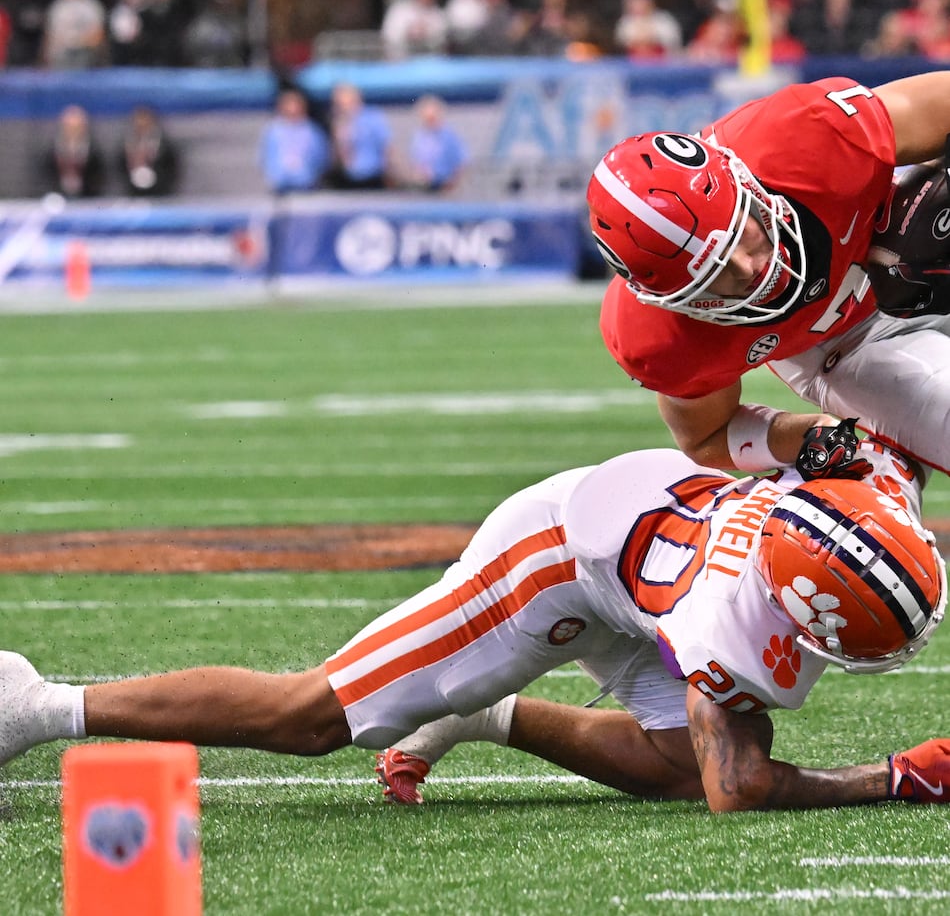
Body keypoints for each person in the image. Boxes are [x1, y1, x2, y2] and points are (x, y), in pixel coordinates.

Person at [1, 431, 948, 816]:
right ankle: (37, 704)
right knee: (313, 718)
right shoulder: (723, 624)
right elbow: (736, 789)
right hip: (550, 556)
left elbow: (872, 441)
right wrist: (892, 777)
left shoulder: (863, 494)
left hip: (643, 535)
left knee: (668, 762)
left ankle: (477, 716)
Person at [587, 70, 950, 482]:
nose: (749, 268)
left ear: (746, 184)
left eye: (742, 233)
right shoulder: (658, 337)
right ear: (672, 301)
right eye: (713, 276)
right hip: (846, 344)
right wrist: (803, 436)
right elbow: (707, 435)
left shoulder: (806, 135)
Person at [258, 88, 330, 195]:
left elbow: (322, 158)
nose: (292, 108)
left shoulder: (313, 131)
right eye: (288, 104)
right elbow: (264, 157)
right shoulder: (272, 131)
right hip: (279, 187)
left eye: (295, 104)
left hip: (307, 186)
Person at [324, 82, 393, 191]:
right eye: (337, 102)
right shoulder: (338, 122)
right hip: (348, 179)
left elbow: (386, 148)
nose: (340, 105)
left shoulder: (373, 117)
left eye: (342, 100)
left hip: (373, 177)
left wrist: (388, 173)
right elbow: (336, 157)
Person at [41, 0, 105, 69]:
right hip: (59, 59)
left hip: (83, 58)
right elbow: (49, 38)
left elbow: (97, 38)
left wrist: (74, 42)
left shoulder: (91, 6)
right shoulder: (57, 6)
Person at [402, 94, 469, 192]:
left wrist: (450, 185)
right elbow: (415, 162)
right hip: (423, 187)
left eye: (432, 118)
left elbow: (461, 163)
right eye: (427, 119)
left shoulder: (450, 137)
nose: (430, 122)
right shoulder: (419, 137)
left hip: (444, 187)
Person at [40, 103, 104, 198]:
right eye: (69, 127)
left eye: (77, 127)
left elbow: (98, 177)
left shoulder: (94, 151)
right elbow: (45, 176)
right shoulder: (52, 151)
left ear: (84, 127)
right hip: (57, 197)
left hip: (87, 197)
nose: (73, 131)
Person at [116, 105, 178, 197]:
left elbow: (171, 166)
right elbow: (120, 164)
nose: (141, 123)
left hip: (160, 191)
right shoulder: (127, 142)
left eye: (144, 119)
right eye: (139, 119)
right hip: (132, 192)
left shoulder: (163, 143)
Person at [380, 0, 448, 61]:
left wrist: (426, 33)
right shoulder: (399, 10)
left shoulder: (438, 14)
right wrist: (409, 32)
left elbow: (442, 38)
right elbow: (389, 34)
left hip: (429, 61)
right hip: (400, 60)